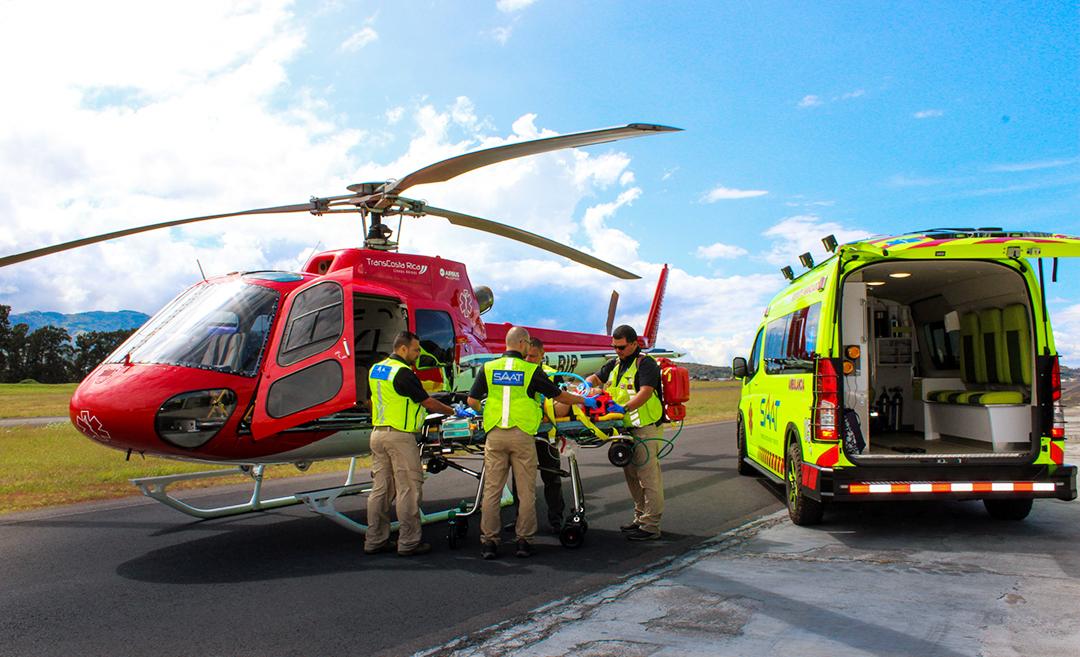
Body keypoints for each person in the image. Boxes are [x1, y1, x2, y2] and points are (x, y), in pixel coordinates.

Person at [468, 326, 591, 559]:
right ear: (523, 344)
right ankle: (523, 541)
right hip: (522, 435)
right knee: (526, 492)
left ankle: (489, 543)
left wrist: (488, 411)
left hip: (494, 434)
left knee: (492, 492)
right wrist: (585, 400)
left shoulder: (488, 367)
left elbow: (473, 401)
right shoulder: (530, 370)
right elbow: (560, 397)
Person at [364, 330, 457, 557]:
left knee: (381, 490)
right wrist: (452, 410)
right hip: (400, 436)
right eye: (415, 350)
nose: (417, 354)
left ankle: (374, 540)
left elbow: (368, 400)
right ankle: (408, 542)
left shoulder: (377, 369)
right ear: (403, 348)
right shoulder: (403, 372)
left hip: (377, 433)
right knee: (408, 488)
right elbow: (427, 402)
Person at [586, 325, 666, 541]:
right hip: (624, 429)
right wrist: (587, 383)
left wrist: (625, 408)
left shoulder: (646, 364)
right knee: (631, 475)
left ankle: (651, 526)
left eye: (621, 347)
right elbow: (596, 377)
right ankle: (640, 518)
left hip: (645, 427)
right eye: (614, 347)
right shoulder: (615, 364)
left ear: (634, 344)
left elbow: (646, 392)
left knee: (648, 477)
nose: (617, 351)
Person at [506, 337, 567, 534]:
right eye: (527, 356)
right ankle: (520, 520)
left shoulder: (554, 375)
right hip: (524, 434)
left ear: (542, 355)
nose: (530, 359)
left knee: (552, 477)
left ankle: (556, 518)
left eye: (534, 356)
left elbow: (562, 403)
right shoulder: (519, 373)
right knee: (520, 480)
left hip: (546, 436)